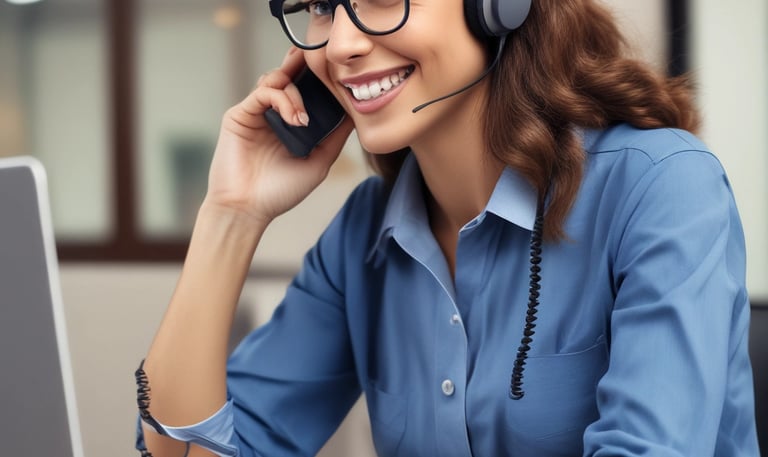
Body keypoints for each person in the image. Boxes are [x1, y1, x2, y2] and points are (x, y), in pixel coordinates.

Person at [134, 0, 760, 455]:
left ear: (498, 8)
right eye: (323, 6)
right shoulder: (364, 235)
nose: (343, 45)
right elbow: (187, 453)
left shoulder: (662, 187)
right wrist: (230, 217)